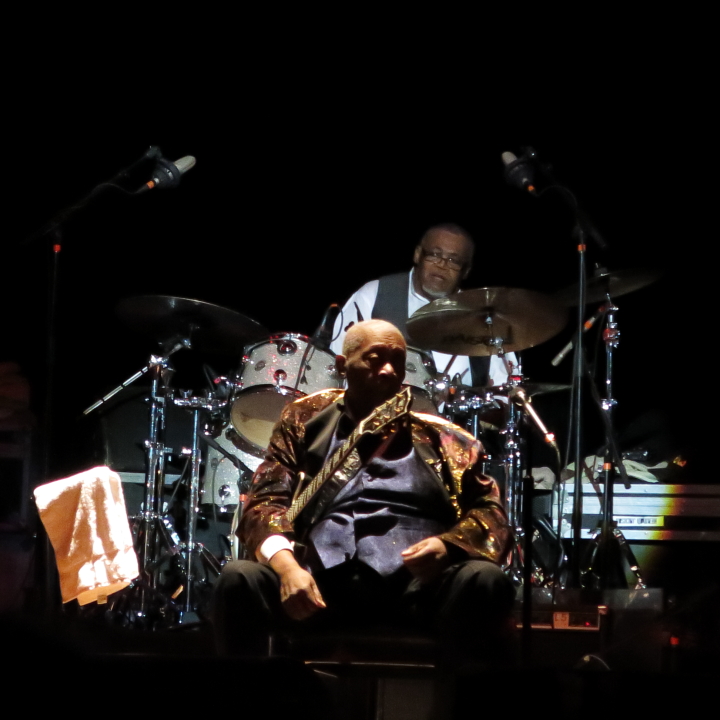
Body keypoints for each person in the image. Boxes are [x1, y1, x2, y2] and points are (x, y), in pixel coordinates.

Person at [211, 320, 516, 671]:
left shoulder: (447, 439)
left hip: (416, 590)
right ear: (343, 366)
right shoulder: (303, 421)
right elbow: (265, 503)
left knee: (485, 579)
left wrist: (449, 547)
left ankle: (455, 699)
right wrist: (288, 568)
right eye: (374, 359)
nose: (388, 370)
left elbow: (491, 512)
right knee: (239, 578)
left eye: (396, 360)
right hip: (318, 586)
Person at [329, 223, 518, 392]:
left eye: (454, 261)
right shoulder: (375, 295)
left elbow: (506, 390)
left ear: (466, 271)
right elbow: (334, 364)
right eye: (435, 255)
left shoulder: (485, 320)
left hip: (450, 420)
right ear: (418, 254)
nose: (442, 265)